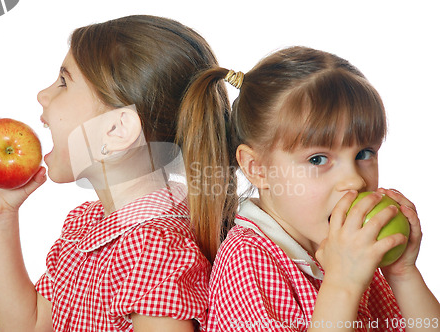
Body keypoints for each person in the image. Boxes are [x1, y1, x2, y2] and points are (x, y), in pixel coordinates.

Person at [0, 15, 228, 332]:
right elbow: (31, 326)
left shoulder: (152, 250)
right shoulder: (88, 225)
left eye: (64, 83)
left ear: (116, 129)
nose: (43, 95)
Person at [178, 46, 440, 331]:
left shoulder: (351, 246)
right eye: (318, 159)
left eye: (364, 153)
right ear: (257, 169)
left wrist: (402, 273)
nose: (354, 180)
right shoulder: (248, 263)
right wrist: (343, 284)